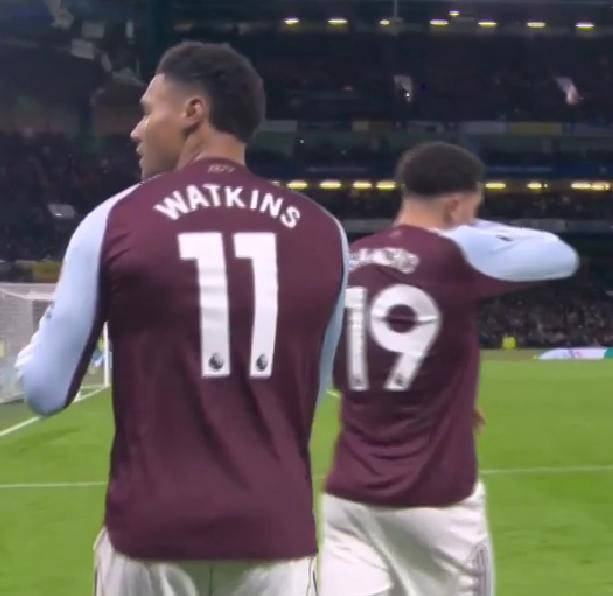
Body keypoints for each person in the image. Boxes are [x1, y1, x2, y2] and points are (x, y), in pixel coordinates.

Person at [17, 41, 347, 596]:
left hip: (153, 535)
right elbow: (313, 391)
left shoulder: (115, 220)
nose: (136, 130)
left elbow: (45, 391)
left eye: (148, 111)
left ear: (194, 111)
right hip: (275, 538)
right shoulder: (325, 232)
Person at [320, 142, 578, 596]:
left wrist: (440, 393)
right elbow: (560, 255)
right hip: (435, 502)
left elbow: (336, 366)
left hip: (349, 500)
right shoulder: (456, 254)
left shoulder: (352, 257)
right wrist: (469, 228)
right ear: (457, 205)